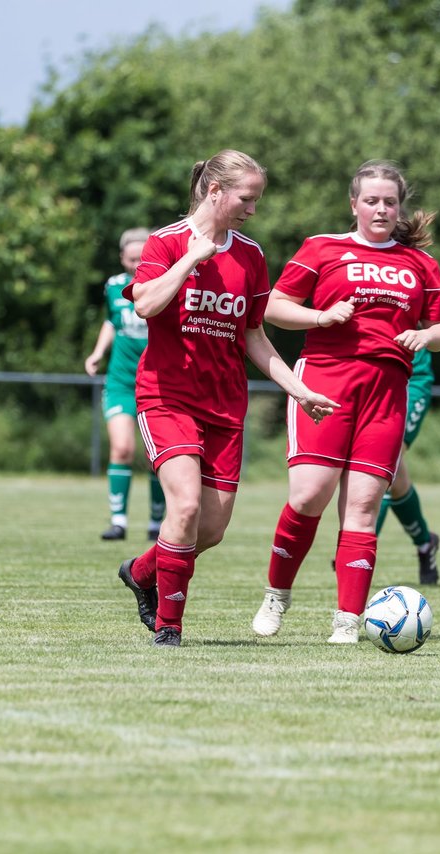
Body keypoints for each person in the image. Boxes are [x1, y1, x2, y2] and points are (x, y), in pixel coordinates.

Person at [113, 150, 337, 648]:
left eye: (256, 198)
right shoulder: (166, 242)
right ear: (215, 191)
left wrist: (297, 389)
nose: (252, 208)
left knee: (210, 530)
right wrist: (193, 258)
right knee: (186, 506)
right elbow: (146, 302)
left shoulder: (251, 256)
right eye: (246, 197)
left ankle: (143, 572)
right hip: (166, 397)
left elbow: (254, 335)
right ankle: (169, 629)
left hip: (224, 407)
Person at [250, 160, 440, 644]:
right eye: (372, 200)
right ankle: (277, 596)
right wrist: (322, 317)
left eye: (389, 201)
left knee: (362, 508)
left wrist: (426, 338)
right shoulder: (323, 248)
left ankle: (347, 620)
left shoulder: (420, 263)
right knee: (308, 496)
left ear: (398, 206)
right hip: (326, 382)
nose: (381, 209)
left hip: (387, 392)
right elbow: (274, 309)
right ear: (354, 204)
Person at [84, 228, 166, 542]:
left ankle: (157, 523)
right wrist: (97, 353)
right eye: (131, 259)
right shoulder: (114, 286)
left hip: (158, 380)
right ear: (122, 259)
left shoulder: (166, 285)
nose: (136, 265)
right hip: (121, 381)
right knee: (122, 448)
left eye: (142, 258)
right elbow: (110, 321)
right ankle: (118, 522)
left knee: (153, 455)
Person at [375, 334, 440, 586]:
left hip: (411, 380)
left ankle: (361, 544)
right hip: (373, 375)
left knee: (386, 461)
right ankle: (426, 543)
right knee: (396, 479)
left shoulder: (432, 291)